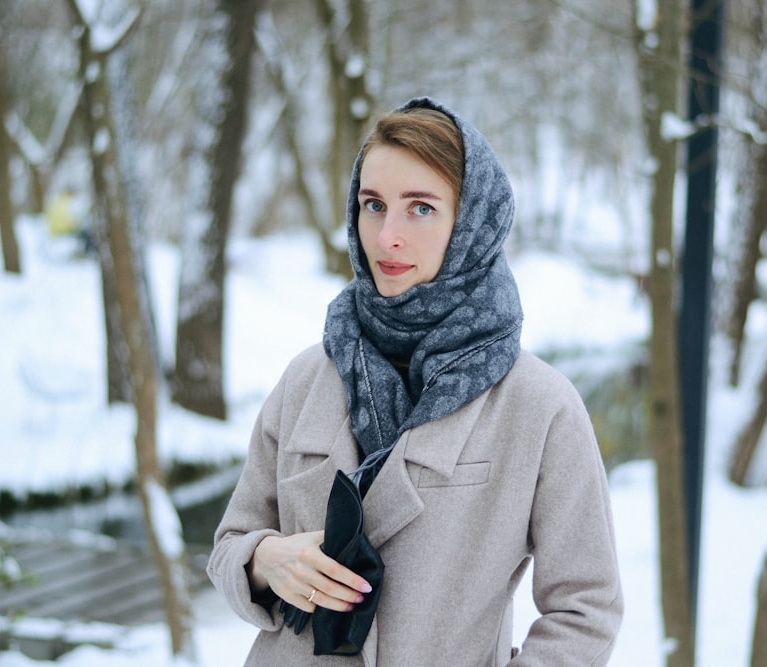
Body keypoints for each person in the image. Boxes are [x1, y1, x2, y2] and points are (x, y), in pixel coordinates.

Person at [207, 97, 623, 665]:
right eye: (373, 205)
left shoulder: (539, 404)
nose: (386, 237)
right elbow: (232, 543)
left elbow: (585, 607)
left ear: (472, 220)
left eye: (420, 208)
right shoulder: (308, 377)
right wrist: (264, 559)